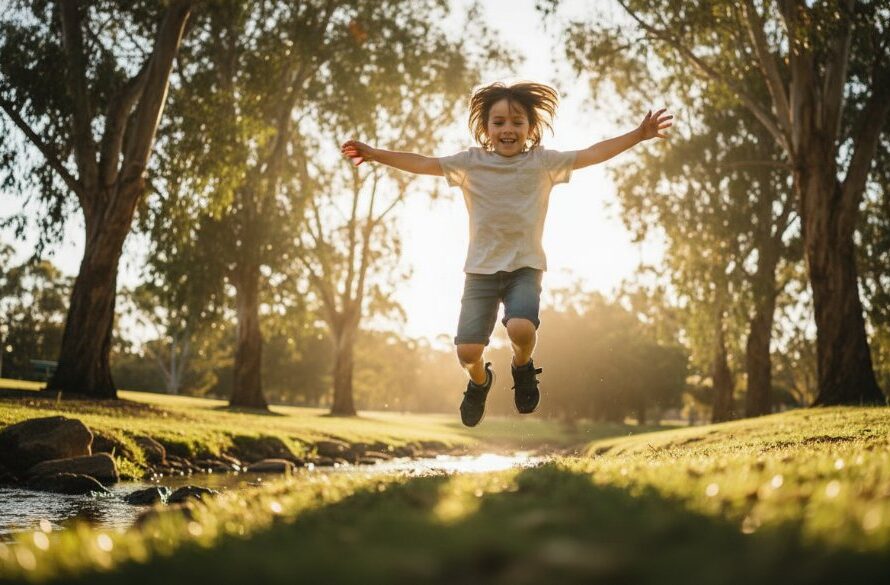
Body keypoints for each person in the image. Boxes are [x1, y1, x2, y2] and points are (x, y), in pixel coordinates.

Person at [341, 81, 672, 427]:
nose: (507, 129)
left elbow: (591, 153)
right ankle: (479, 382)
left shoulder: (543, 163)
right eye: (498, 122)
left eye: (517, 122)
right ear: (486, 129)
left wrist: (638, 134)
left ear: (531, 128)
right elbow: (423, 163)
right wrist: (375, 154)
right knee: (467, 352)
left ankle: (522, 367)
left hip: (524, 268)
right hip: (480, 273)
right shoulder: (470, 163)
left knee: (521, 328)